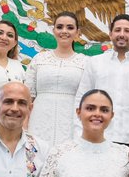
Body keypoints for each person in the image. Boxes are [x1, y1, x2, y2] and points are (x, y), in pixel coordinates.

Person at [75, 14, 129, 144]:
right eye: (117, 30)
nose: (122, 34)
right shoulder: (95, 63)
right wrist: (78, 134)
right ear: (110, 34)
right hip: (99, 138)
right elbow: (81, 100)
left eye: (127, 31)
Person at [25, 11, 88, 146]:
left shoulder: (85, 62)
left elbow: (89, 101)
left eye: (70, 27)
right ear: (53, 30)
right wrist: (23, 127)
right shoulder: (39, 59)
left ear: (77, 32)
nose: (64, 31)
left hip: (72, 122)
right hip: (38, 121)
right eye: (59, 27)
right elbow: (27, 98)